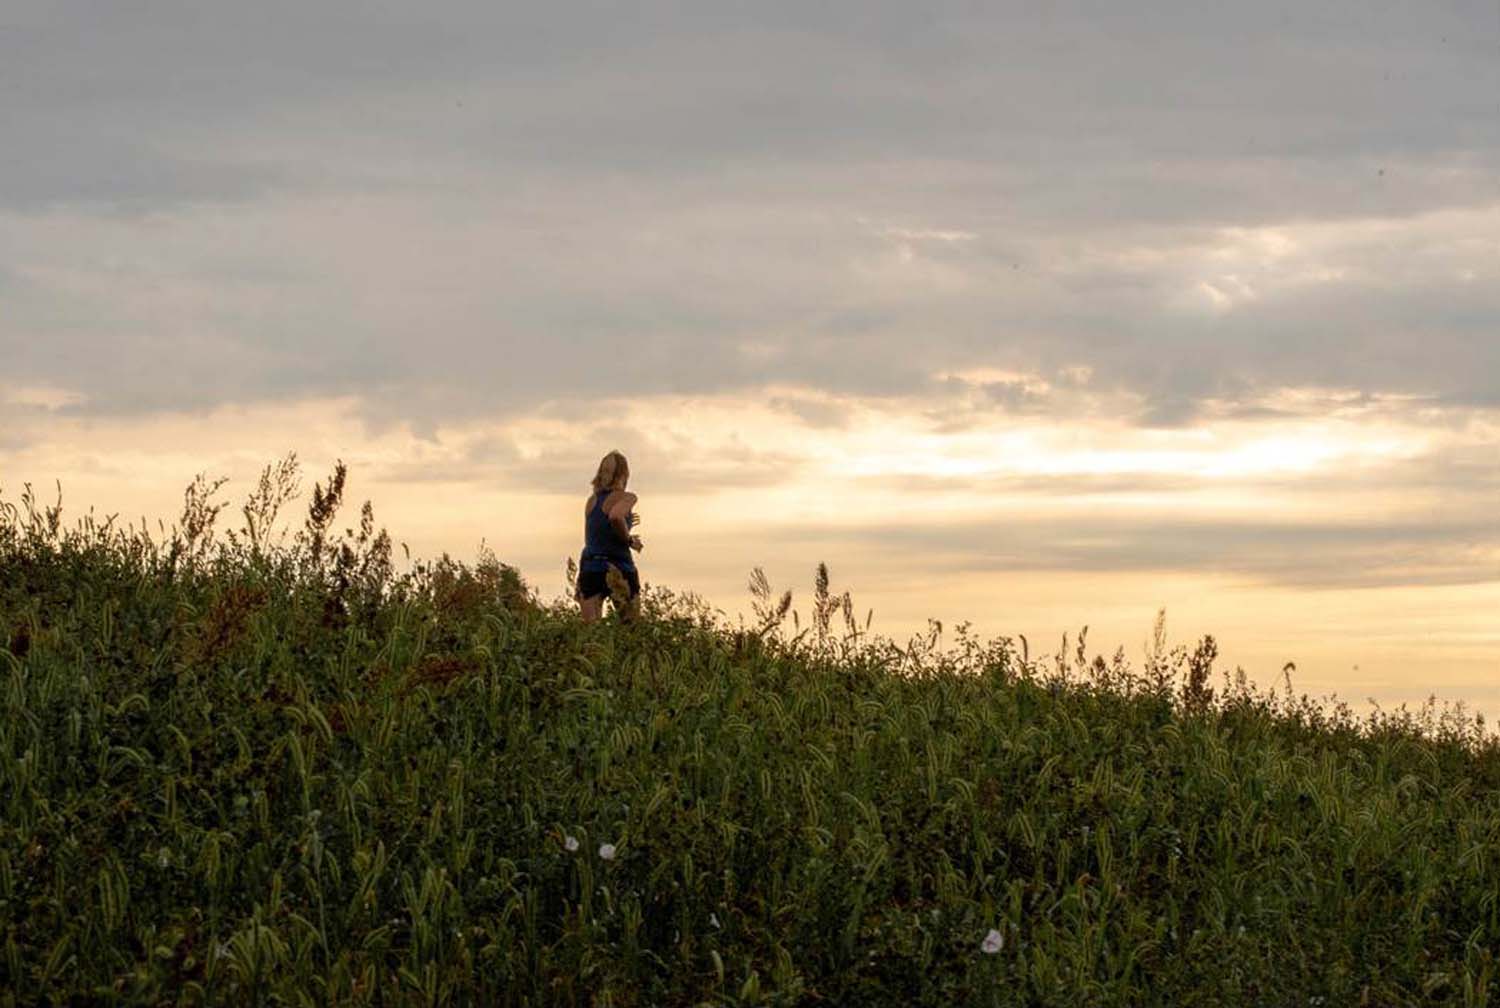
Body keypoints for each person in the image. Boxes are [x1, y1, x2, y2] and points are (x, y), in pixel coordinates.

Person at [576, 450, 643, 622]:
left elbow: (598, 532)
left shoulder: (592, 501)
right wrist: (630, 540)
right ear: (623, 474)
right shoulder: (628, 497)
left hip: (591, 567)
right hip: (619, 567)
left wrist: (627, 526)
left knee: (591, 632)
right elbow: (615, 516)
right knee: (631, 629)